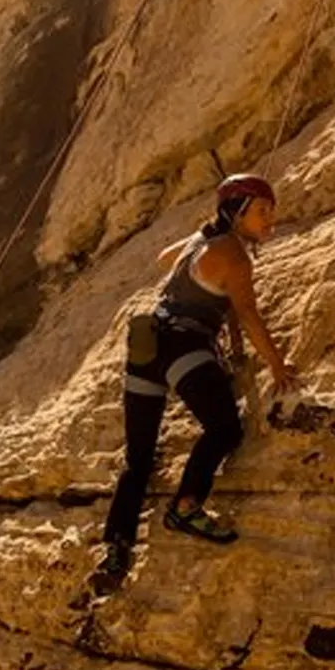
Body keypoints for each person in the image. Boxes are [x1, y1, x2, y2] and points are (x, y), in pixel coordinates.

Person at [91, 174, 298, 595]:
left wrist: (232, 338)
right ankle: (186, 506)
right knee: (224, 429)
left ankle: (115, 552)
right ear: (237, 213)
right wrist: (277, 366)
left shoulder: (201, 242)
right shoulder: (236, 258)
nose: (270, 222)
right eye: (261, 212)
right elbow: (248, 312)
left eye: (271, 213)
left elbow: (167, 258)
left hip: (146, 342)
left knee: (139, 460)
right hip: (182, 344)